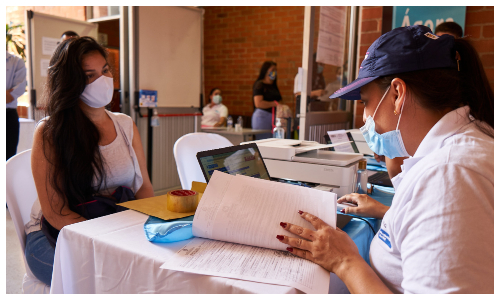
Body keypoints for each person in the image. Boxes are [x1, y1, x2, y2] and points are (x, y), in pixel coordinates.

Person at [275, 25, 493, 293]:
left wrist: (344, 261)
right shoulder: (452, 155)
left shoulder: (449, 177)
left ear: (398, 94)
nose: (365, 118)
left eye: (366, 102)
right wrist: (386, 209)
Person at [24, 36, 154, 286]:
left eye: (105, 70)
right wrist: (106, 242)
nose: (102, 80)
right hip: (58, 233)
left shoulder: (125, 124)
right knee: (104, 279)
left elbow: (144, 187)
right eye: (89, 75)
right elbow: (55, 212)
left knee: (148, 271)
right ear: (71, 82)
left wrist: (151, 225)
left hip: (112, 223)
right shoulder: (51, 132)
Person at [252, 61, 282, 139]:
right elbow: (258, 103)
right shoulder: (259, 85)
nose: (274, 72)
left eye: (276, 70)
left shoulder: (273, 86)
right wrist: (274, 104)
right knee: (264, 141)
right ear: (266, 71)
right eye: (272, 70)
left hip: (274, 118)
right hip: (262, 117)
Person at [6, 51, 27, 161]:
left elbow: (16, 92)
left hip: (8, 116)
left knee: (8, 157)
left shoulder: (16, 62)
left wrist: (8, 95)